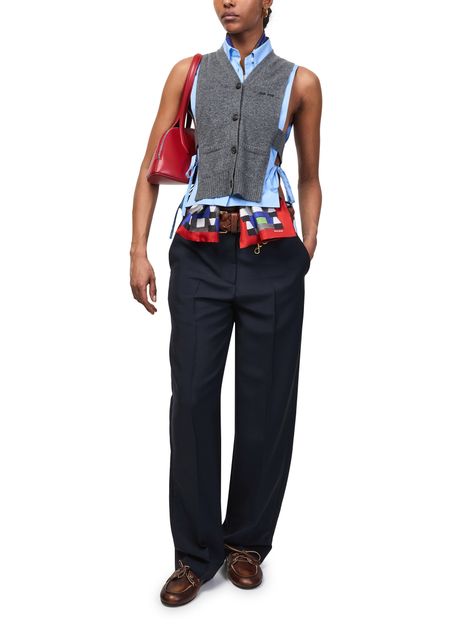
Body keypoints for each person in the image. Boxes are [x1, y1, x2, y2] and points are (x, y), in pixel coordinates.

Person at [130, 0, 322, 607]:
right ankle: (194, 554)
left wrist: (305, 247)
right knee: (191, 399)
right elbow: (152, 166)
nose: (227, 2)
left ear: (268, 3)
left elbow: (310, 175)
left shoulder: (301, 82)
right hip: (199, 256)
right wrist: (138, 249)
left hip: (273, 258)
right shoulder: (188, 72)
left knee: (266, 403)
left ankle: (245, 544)